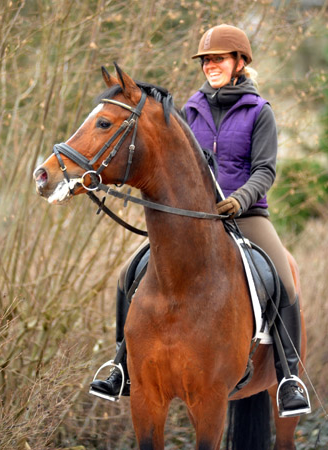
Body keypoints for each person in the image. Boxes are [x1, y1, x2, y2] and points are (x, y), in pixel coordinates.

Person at [90, 24, 310, 417]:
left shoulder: (260, 112)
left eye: (218, 59)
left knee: (282, 277)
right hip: (194, 217)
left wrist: (240, 200)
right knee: (130, 273)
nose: (211, 66)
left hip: (246, 215)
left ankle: (288, 377)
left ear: (240, 63)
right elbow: (177, 164)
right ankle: (121, 365)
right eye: (207, 60)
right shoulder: (190, 109)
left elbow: (265, 170)